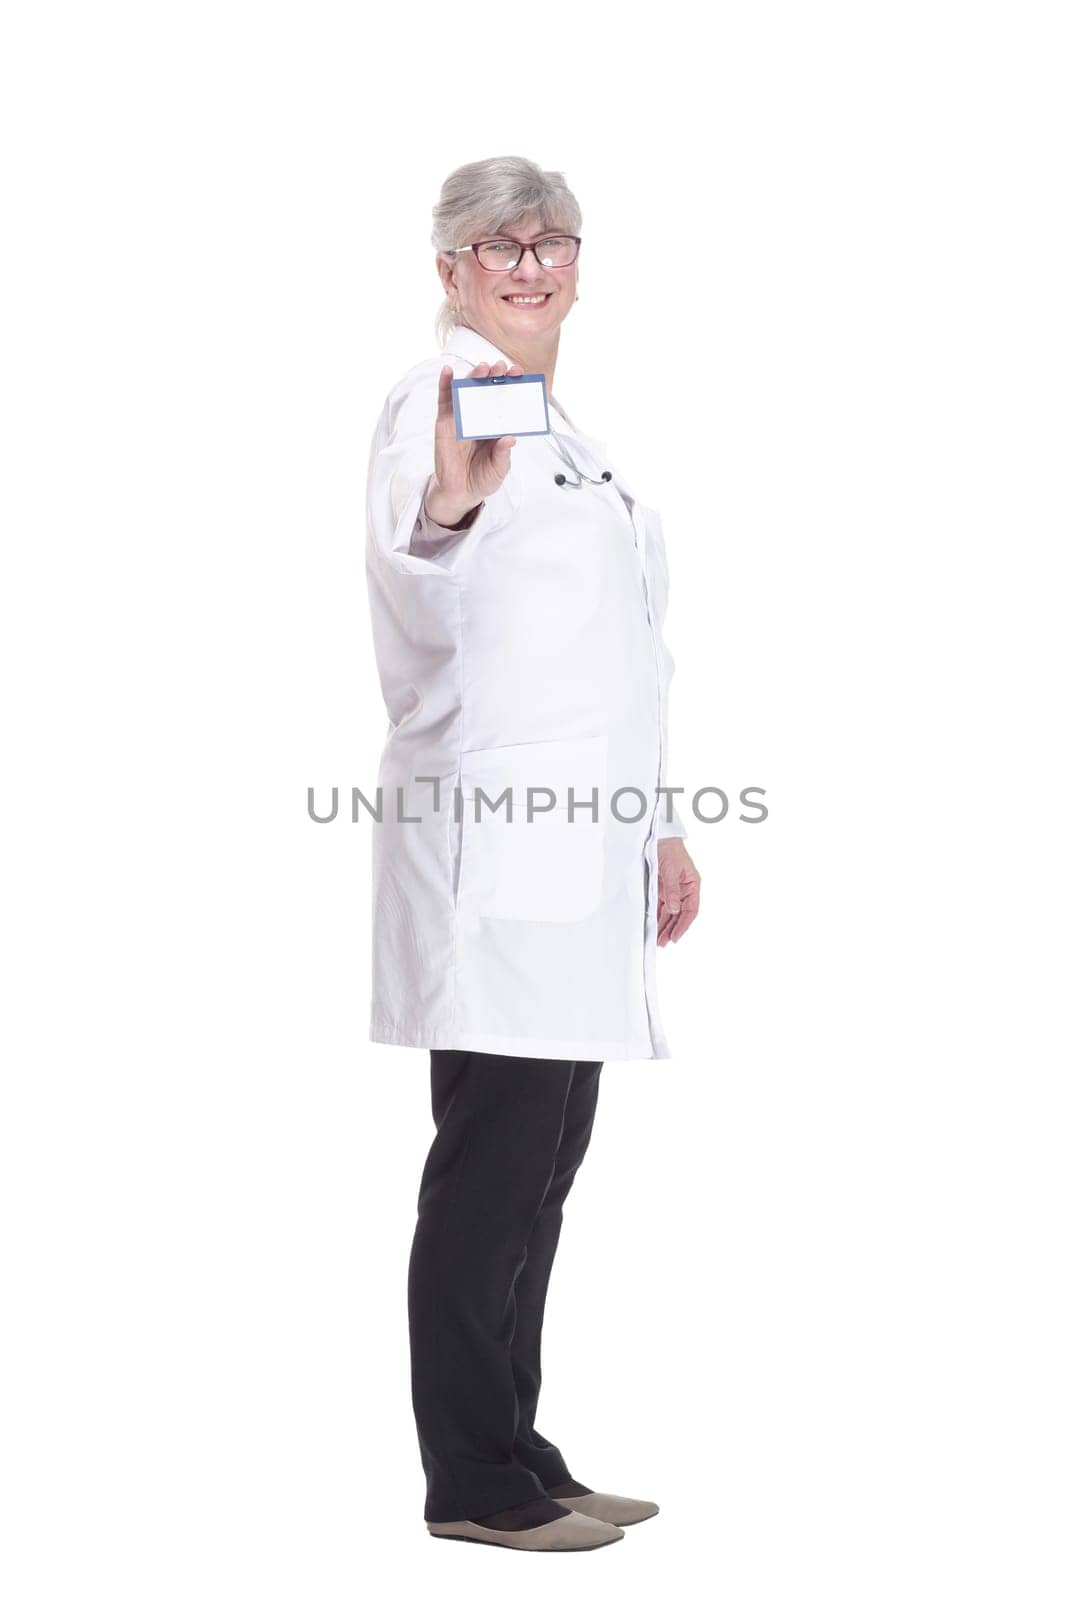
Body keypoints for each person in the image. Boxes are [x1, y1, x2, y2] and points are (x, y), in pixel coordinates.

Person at [364, 156, 700, 1552]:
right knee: (492, 1164)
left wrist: (663, 823)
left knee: (546, 1161)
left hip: (581, 852)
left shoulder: (568, 430)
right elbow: (419, 546)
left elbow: (622, 655)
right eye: (495, 243)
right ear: (449, 267)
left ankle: (522, 1444)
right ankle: (472, 1481)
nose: (528, 261)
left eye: (551, 238)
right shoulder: (441, 403)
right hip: (495, 854)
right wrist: (449, 504)